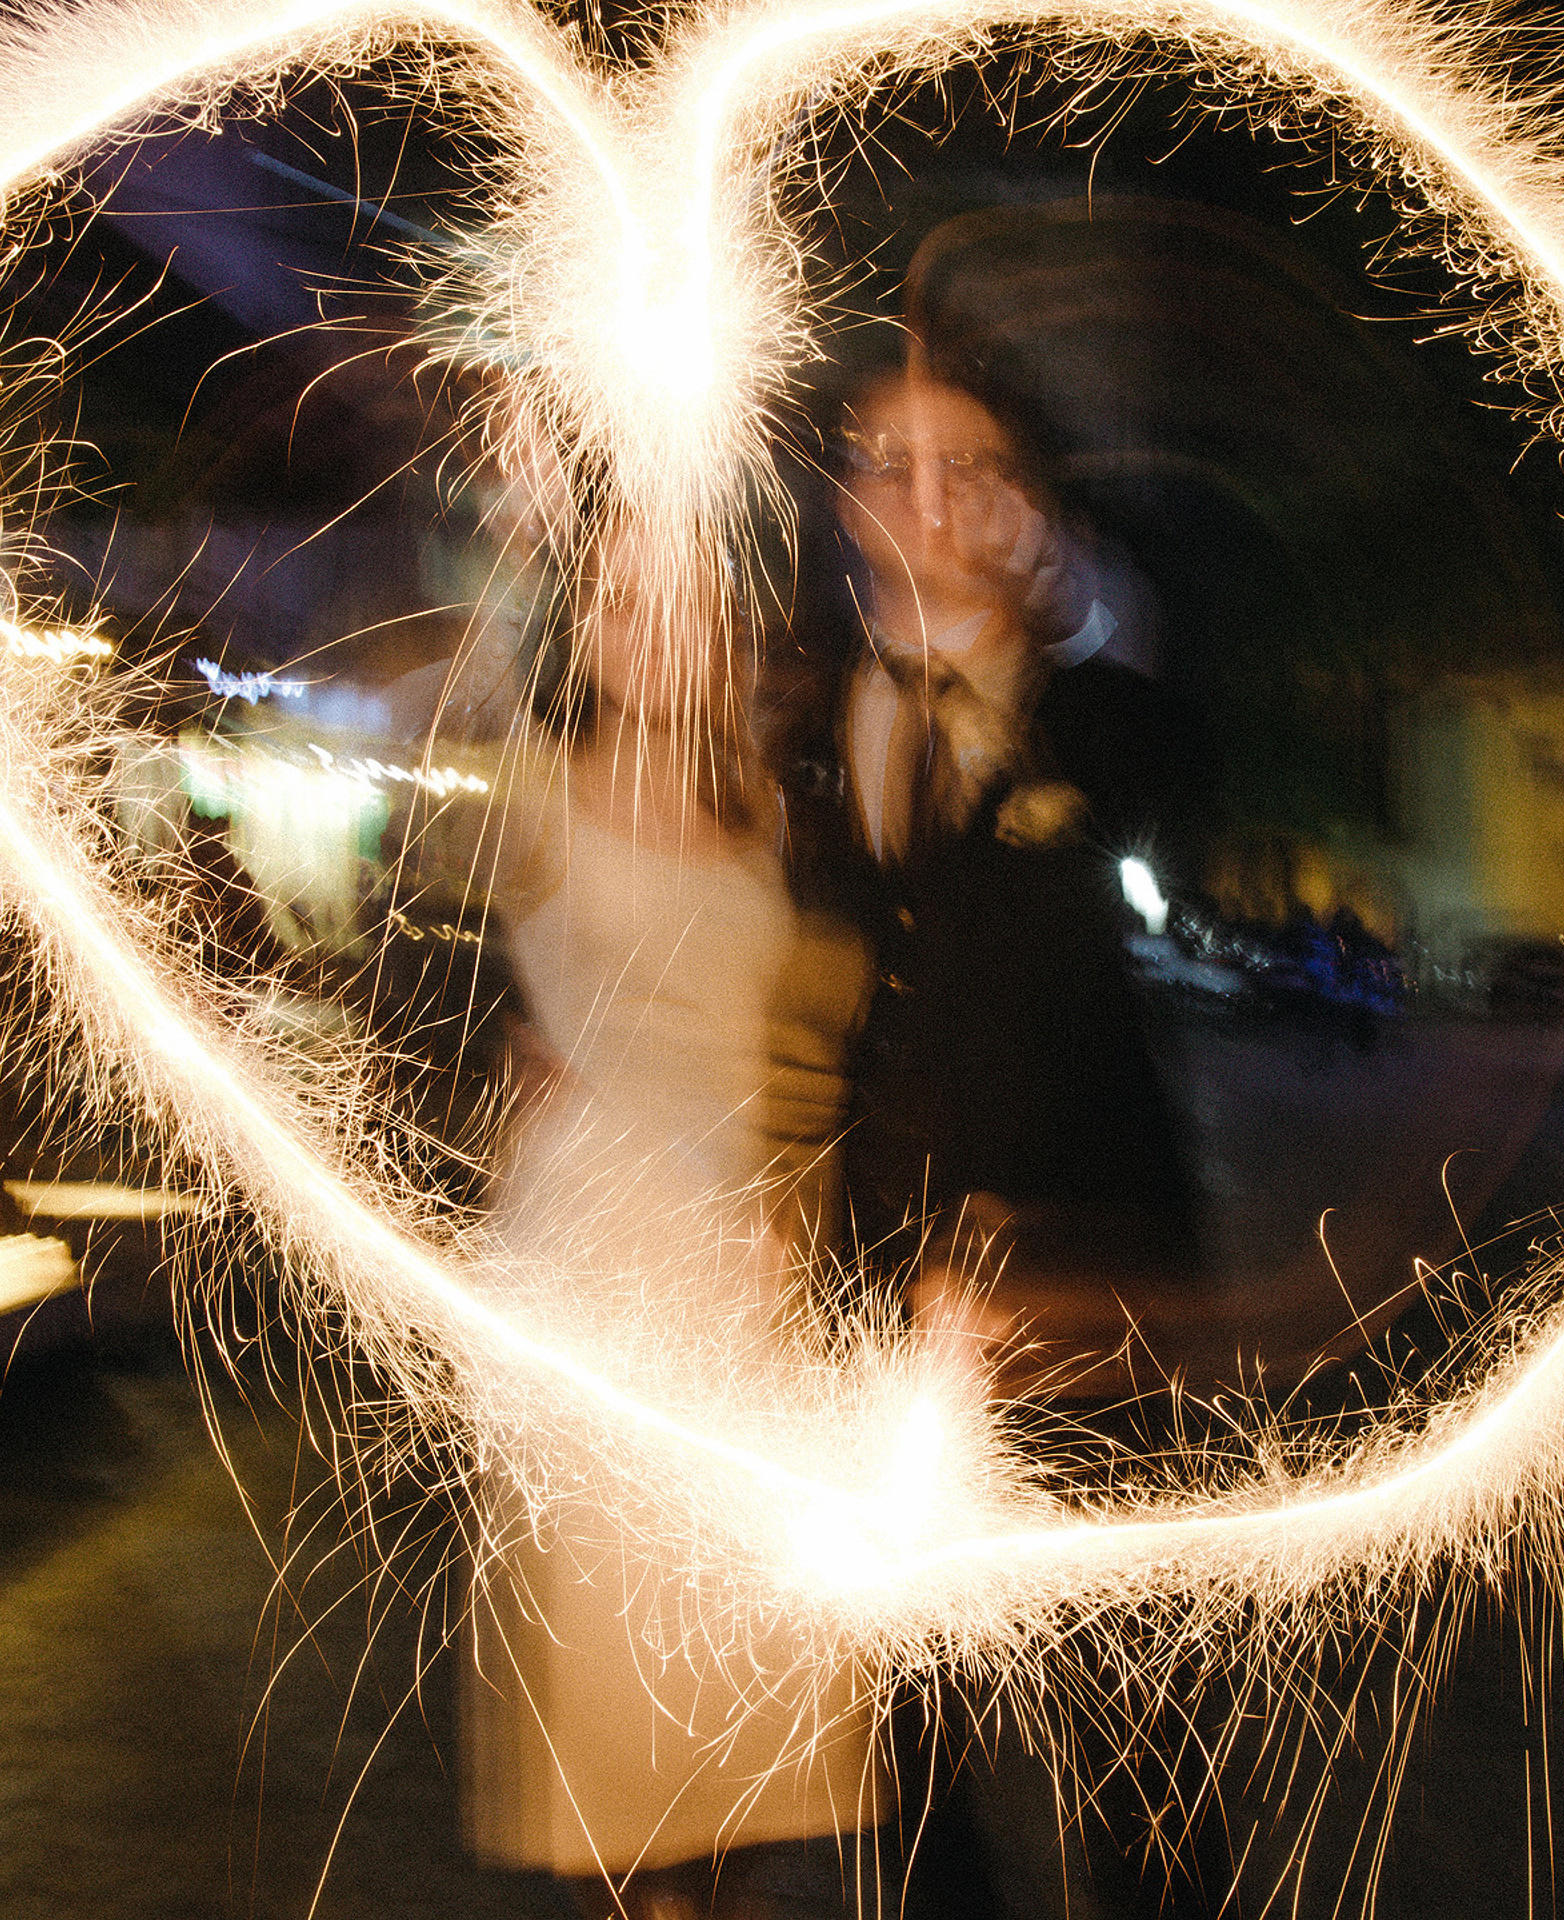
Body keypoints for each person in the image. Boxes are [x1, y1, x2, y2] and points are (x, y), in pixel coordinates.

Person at [456, 491, 888, 1920]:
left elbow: (813, 1028)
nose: (655, 631)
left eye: (684, 602)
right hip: (592, 1270)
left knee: (752, 1690)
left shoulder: (768, 800)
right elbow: (401, 956)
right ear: (583, 626)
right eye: (623, 601)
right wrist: (485, 1074)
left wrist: (798, 1209)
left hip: (743, 1274)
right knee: (621, 1693)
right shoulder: (528, 786)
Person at [776, 361, 1202, 1386]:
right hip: (849, 1309)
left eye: (964, 464)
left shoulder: (1107, 724)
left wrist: (1061, 604)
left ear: (1023, 500)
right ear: (843, 501)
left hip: (1066, 1309)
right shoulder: (790, 726)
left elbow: (1183, 811)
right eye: (887, 461)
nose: (925, 492)